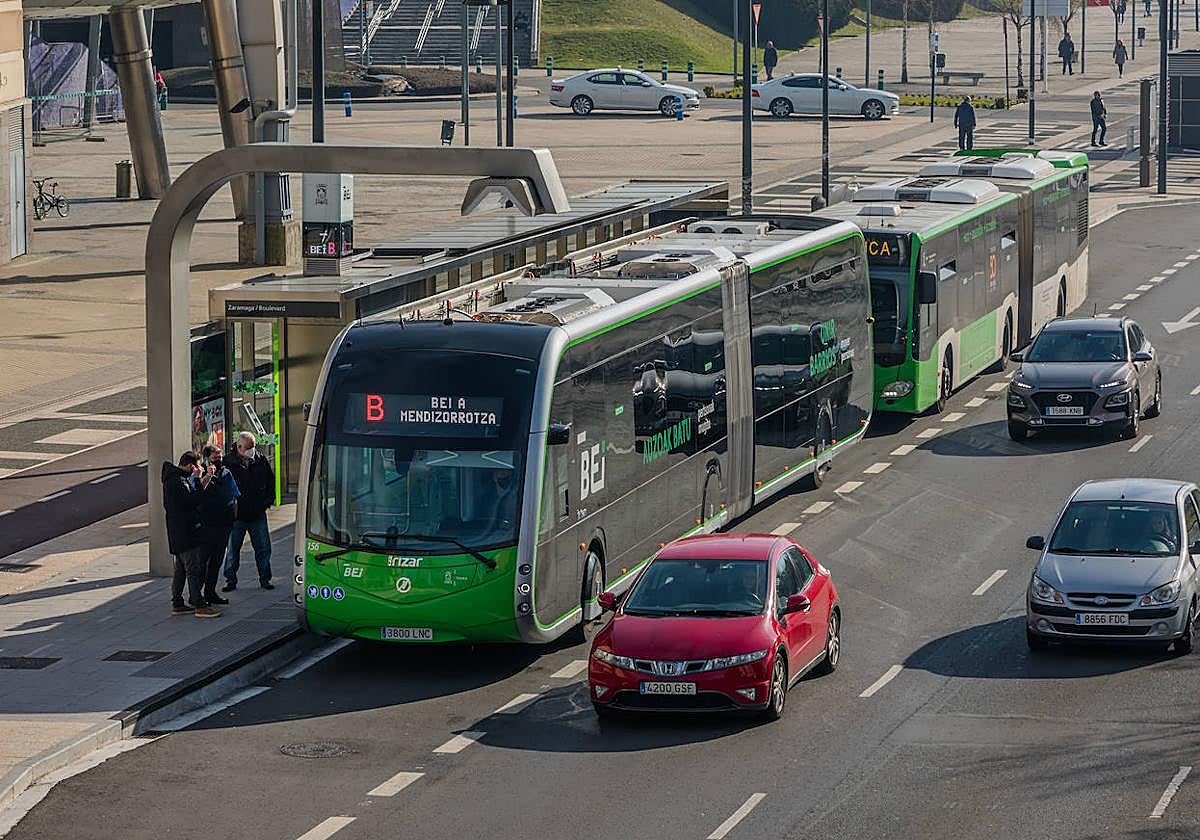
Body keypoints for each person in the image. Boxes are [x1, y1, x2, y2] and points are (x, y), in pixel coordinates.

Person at [162, 451, 221, 618]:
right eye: (198, 465)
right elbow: (193, 499)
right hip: (186, 532)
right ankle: (199, 604)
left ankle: (178, 602)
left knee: (181, 568)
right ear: (191, 466)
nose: (200, 468)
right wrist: (197, 479)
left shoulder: (172, 479)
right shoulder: (178, 481)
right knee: (192, 568)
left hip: (178, 531)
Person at [222, 432, 275, 592]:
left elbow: (270, 482)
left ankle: (265, 578)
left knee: (263, 547)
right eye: (248, 447)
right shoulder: (228, 463)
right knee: (233, 549)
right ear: (239, 447)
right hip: (237, 516)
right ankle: (230, 579)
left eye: (253, 447)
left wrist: (266, 502)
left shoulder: (260, 460)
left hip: (257, 513)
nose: (252, 450)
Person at [196, 445, 239, 606]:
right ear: (207, 458)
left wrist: (233, 517)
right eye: (215, 457)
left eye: (220, 456)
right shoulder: (201, 474)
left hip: (224, 524)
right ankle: (196, 594)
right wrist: (208, 475)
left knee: (216, 561)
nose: (219, 459)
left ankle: (210, 592)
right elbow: (197, 491)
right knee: (202, 562)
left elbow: (235, 495)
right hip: (207, 525)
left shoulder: (226, 473)